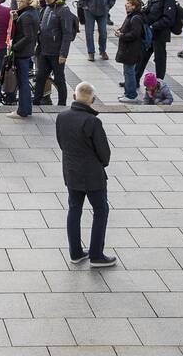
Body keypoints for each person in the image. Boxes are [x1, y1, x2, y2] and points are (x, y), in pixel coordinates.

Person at [55, 82, 116, 268]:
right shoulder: (93, 122)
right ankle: (96, 255)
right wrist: (101, 164)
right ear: (93, 100)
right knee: (100, 211)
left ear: (74, 97)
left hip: (71, 172)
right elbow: (104, 153)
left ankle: (75, 253)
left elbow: (61, 143)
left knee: (74, 209)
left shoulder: (62, 117)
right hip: (92, 175)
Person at [34, 0, 75, 106]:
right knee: (40, 77)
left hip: (56, 53)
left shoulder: (63, 10)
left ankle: (62, 104)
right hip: (44, 50)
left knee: (59, 79)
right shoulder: (47, 7)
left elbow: (67, 34)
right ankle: (36, 102)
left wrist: (63, 53)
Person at [138, 0, 177, 86]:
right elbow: (150, 8)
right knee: (142, 56)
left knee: (160, 59)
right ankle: (134, 79)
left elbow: (168, 18)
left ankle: (159, 82)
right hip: (150, 33)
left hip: (160, 33)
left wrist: (153, 26)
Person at [9, 0, 39, 117]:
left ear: (26, 2)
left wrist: (14, 47)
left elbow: (28, 36)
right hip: (27, 52)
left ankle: (22, 110)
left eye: (20, 1)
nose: (17, 3)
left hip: (22, 53)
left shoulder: (26, 15)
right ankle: (26, 109)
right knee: (23, 82)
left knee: (23, 83)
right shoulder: (31, 13)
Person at [115, 0, 146, 103]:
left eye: (128, 3)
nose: (126, 5)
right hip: (129, 50)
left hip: (132, 50)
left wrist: (122, 35)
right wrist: (120, 30)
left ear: (134, 6)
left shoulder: (136, 18)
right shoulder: (131, 16)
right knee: (127, 72)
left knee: (129, 72)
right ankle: (127, 93)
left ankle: (131, 95)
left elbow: (135, 34)